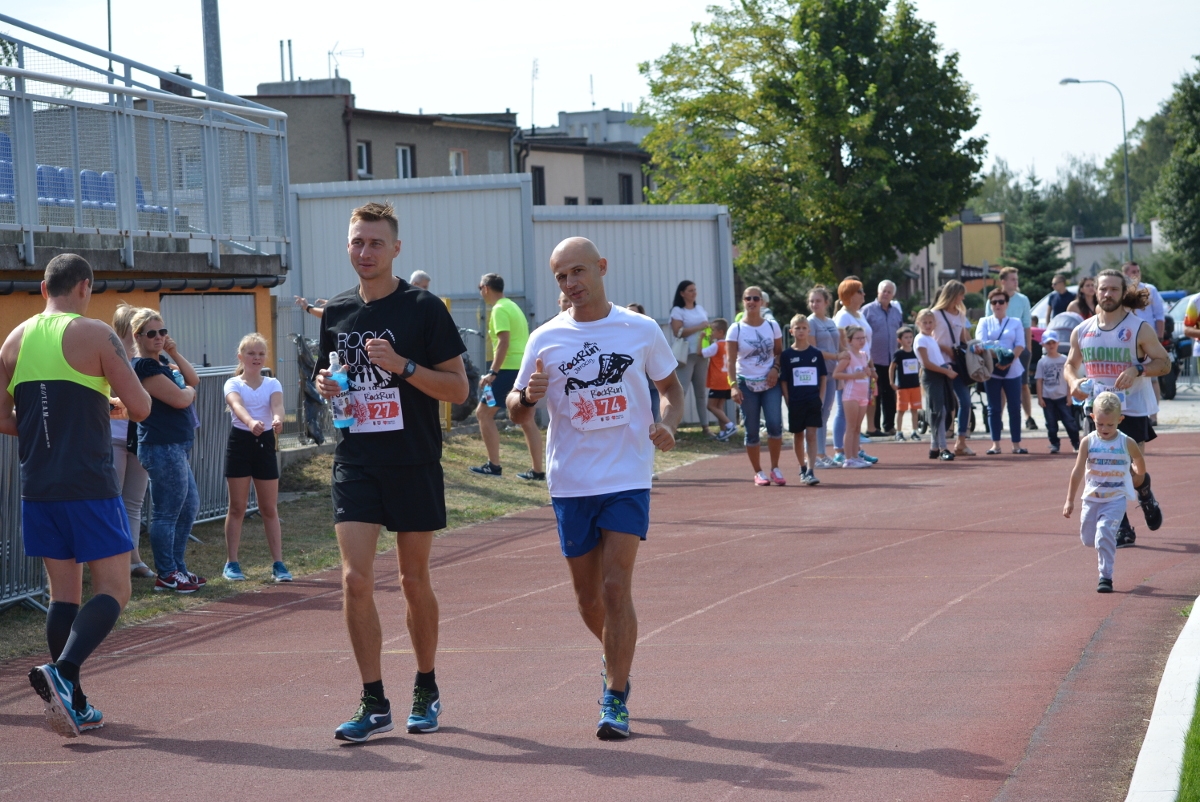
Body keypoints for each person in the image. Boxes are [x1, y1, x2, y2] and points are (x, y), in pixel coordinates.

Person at [508, 236, 682, 740]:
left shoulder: (640, 329)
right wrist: (526, 397)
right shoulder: (545, 338)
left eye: (578, 272)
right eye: (561, 277)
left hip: (627, 476)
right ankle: (614, 656)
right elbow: (517, 409)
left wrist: (668, 422)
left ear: (601, 268)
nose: (571, 284)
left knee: (615, 585)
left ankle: (615, 695)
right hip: (571, 481)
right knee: (588, 600)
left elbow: (670, 388)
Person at [313, 201, 468, 742]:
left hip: (413, 459)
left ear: (396, 248)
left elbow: (458, 388)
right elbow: (327, 377)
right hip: (356, 459)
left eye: (376, 243)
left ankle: (425, 685)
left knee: (411, 579)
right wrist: (325, 388)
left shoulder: (423, 308)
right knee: (355, 580)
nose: (365, 252)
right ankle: (373, 699)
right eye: (357, 242)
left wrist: (401, 366)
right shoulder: (335, 312)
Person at [0, 253, 151, 738]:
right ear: (84, 287)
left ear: (43, 289)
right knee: (115, 589)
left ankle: (75, 699)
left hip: (39, 484)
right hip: (89, 484)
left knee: (62, 595)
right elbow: (143, 407)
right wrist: (101, 409)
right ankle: (63, 674)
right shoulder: (96, 334)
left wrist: (51, 427)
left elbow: (5, 416)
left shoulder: (14, 339)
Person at [1064, 269, 1168, 549]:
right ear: (1093, 292)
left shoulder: (1137, 328)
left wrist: (1137, 369)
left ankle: (1144, 492)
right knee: (1101, 471)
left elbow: (1164, 362)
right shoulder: (1082, 330)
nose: (1107, 294)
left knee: (1131, 471)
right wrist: (1073, 382)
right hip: (1096, 411)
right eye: (1102, 289)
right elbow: (1070, 365)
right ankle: (1123, 528)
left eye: (1113, 290)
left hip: (1131, 409)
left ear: (1123, 294)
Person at [130, 308, 205, 592]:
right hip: (160, 445)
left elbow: (193, 379)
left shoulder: (161, 362)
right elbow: (180, 398)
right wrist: (188, 392)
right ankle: (167, 572)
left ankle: (178, 568)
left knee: (188, 506)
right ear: (139, 337)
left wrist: (174, 353)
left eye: (162, 331)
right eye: (152, 333)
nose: (160, 337)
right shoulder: (144, 367)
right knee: (167, 512)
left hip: (176, 444)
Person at [1063, 392, 1157, 593]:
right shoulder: (1088, 442)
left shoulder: (1126, 442)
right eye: (1100, 424)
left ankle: (1105, 576)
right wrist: (1069, 500)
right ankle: (1105, 540)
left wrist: (1139, 474)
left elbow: (1139, 459)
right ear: (1093, 418)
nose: (1105, 429)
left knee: (1103, 535)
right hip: (1092, 498)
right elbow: (1078, 471)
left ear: (1120, 420)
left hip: (1115, 499)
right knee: (1089, 539)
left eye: (1110, 425)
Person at [221, 333, 290, 582]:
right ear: (241, 357)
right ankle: (232, 562)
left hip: (265, 442)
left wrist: (278, 420)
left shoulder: (273, 383)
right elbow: (236, 406)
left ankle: (279, 563)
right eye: (251, 353)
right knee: (237, 507)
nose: (256, 358)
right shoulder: (233, 383)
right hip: (241, 442)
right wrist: (251, 422)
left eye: (261, 354)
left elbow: (278, 406)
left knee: (268, 507)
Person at [470, 273, 545, 481]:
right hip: (521, 367)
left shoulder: (499, 309)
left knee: (483, 413)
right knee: (527, 418)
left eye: (480, 287)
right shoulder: (513, 306)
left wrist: (493, 372)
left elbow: (503, 342)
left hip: (507, 369)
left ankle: (494, 465)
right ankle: (538, 471)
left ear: (485, 288)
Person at [110, 302, 153, 578]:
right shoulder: (109, 355)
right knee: (113, 499)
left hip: (138, 435)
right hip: (113, 437)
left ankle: (133, 557)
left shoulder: (147, 358)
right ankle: (115, 561)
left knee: (133, 500)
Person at [727, 286, 785, 485]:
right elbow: (730, 360)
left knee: (775, 425)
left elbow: (779, 352)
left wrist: (775, 369)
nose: (751, 302)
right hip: (746, 384)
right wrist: (733, 385)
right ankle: (758, 472)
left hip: (770, 382)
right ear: (743, 301)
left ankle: (775, 467)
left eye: (755, 298)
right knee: (751, 429)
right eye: (747, 298)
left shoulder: (771, 326)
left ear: (762, 302)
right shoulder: (736, 329)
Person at [831, 278, 877, 465]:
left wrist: (871, 367)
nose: (864, 294)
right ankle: (840, 451)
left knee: (856, 417)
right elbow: (842, 343)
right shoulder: (842, 316)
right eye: (860, 291)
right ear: (849, 295)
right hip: (851, 369)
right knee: (844, 411)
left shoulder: (859, 314)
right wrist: (850, 363)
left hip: (862, 369)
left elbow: (866, 344)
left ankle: (855, 451)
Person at [977, 289, 1027, 455]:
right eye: (994, 302)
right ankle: (995, 444)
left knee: (1014, 407)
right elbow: (981, 344)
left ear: (1007, 304)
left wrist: (1009, 360)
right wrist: (996, 356)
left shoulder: (1015, 322)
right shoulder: (984, 322)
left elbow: (1020, 344)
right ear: (990, 305)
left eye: (1001, 302)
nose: (997, 305)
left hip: (1013, 370)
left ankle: (1016, 444)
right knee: (994, 408)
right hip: (991, 370)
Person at [780, 315, 827, 485]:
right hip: (795, 402)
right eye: (797, 328)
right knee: (798, 435)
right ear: (791, 331)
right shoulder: (786, 355)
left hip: (813, 400)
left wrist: (820, 398)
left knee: (812, 435)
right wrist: (787, 399)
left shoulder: (816, 354)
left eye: (804, 327)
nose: (800, 330)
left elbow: (823, 377)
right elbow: (784, 380)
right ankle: (801, 467)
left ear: (809, 330)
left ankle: (811, 470)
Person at [931, 280, 975, 456]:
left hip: (956, 365)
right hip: (938, 364)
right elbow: (928, 339)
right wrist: (943, 348)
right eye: (960, 294)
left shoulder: (960, 315)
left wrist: (975, 347)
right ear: (952, 294)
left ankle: (961, 442)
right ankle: (938, 444)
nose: (962, 298)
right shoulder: (934, 314)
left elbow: (964, 338)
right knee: (940, 406)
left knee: (965, 402)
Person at [993, 267, 1036, 430]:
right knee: (1001, 385)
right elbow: (989, 321)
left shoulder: (1022, 299)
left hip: (1020, 347)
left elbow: (1027, 324)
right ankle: (1000, 419)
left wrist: (1028, 349)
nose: (1016, 282)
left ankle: (1029, 417)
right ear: (1003, 281)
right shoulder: (995, 299)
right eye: (1012, 279)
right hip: (1001, 349)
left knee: (1023, 384)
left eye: (1016, 279)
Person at [1122, 261, 1167, 416]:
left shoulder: (1150, 289)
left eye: (1138, 271)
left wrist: (1159, 337)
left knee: (1152, 378)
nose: (1136, 274)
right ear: (1125, 273)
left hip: (1147, 338)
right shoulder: (1121, 291)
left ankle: (1153, 415)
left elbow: (1159, 315)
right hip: (1127, 339)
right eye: (1133, 271)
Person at [669, 280, 711, 436]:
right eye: (690, 290)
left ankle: (705, 427)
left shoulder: (700, 309)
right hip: (685, 356)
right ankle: (673, 426)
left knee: (701, 392)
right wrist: (700, 327)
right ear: (682, 293)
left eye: (695, 289)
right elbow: (677, 332)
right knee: (681, 391)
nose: (694, 293)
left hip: (701, 354)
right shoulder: (677, 311)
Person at [914, 310, 957, 461]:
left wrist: (946, 367)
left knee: (942, 410)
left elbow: (936, 359)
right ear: (918, 323)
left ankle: (934, 447)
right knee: (938, 412)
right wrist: (945, 372)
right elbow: (926, 363)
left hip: (940, 375)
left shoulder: (930, 338)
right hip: (932, 377)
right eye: (924, 322)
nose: (927, 325)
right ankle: (942, 447)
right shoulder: (920, 340)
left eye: (930, 322)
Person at [862, 280, 903, 437]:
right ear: (878, 292)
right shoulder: (867, 311)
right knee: (874, 394)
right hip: (874, 360)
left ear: (893, 294)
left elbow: (900, 331)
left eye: (889, 292)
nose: (886, 294)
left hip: (891, 360)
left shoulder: (896, 312)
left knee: (890, 394)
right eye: (883, 291)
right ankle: (874, 426)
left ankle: (889, 426)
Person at [806, 286, 841, 468]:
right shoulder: (811, 322)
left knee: (825, 413)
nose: (814, 304)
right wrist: (836, 357)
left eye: (818, 301)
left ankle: (821, 452)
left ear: (826, 302)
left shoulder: (830, 322)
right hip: (819, 374)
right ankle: (812, 455)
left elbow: (837, 345)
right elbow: (814, 350)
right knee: (816, 413)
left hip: (832, 372)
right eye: (812, 301)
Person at [832, 326, 874, 468]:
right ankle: (848, 459)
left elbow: (866, 373)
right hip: (851, 395)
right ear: (849, 341)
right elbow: (836, 374)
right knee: (850, 427)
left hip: (863, 394)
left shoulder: (864, 355)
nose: (861, 341)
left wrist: (868, 372)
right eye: (858, 338)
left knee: (857, 428)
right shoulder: (848, 355)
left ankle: (856, 456)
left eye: (863, 338)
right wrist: (852, 376)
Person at [1034, 331, 1079, 454]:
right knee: (1051, 424)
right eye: (1048, 343)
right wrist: (1040, 398)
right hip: (1048, 397)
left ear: (1058, 343)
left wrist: (1070, 396)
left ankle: (1076, 443)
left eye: (1053, 342)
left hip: (1063, 397)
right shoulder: (1042, 362)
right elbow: (1039, 381)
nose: (1051, 345)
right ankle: (1054, 444)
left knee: (1069, 422)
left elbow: (1069, 379)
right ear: (1043, 344)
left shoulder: (1065, 360)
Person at [700, 318, 737, 440]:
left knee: (710, 406)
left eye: (713, 330)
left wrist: (702, 338)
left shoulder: (717, 345)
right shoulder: (728, 344)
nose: (711, 333)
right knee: (719, 407)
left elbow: (700, 353)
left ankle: (730, 425)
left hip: (717, 380)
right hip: (727, 379)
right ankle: (723, 433)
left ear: (720, 332)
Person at [627, 303, 662, 422]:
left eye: (634, 313)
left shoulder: (649, 334)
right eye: (628, 313)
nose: (630, 316)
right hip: (630, 390)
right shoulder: (620, 337)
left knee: (653, 420)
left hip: (652, 387)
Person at [889, 326, 922, 441]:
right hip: (902, 387)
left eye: (910, 337)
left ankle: (915, 431)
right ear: (900, 340)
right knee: (901, 410)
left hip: (915, 385)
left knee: (915, 409)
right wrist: (892, 382)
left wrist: (920, 377)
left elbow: (920, 365)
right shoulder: (899, 354)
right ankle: (899, 432)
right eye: (906, 337)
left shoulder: (916, 352)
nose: (909, 340)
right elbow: (892, 368)